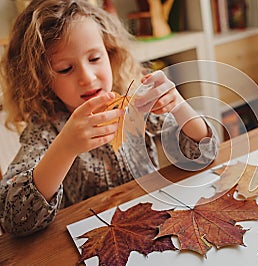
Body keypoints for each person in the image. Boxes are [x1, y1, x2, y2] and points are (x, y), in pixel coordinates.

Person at [0, 0, 218, 236]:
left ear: (111, 54)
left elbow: (203, 155)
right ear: (41, 78)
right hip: (92, 238)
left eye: (94, 59)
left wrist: (179, 105)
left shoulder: (135, 103)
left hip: (154, 224)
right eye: (65, 69)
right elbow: (13, 218)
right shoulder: (45, 128)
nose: (88, 77)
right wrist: (65, 148)